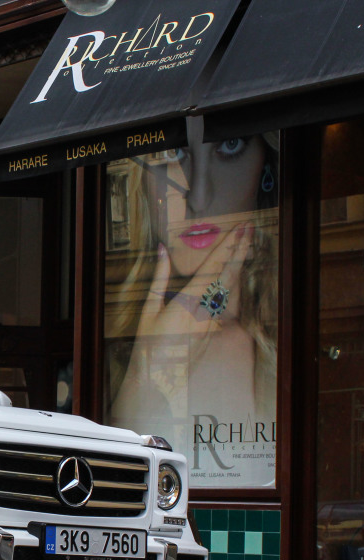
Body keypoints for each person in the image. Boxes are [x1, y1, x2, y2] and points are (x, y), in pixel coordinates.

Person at [105, 134, 279, 482]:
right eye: (172, 152)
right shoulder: (109, 349)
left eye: (230, 145)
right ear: (143, 185)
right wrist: (152, 363)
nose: (197, 196)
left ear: (266, 169)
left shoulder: (283, 344)